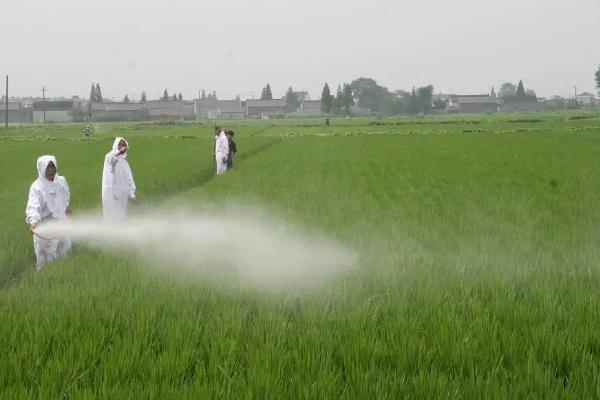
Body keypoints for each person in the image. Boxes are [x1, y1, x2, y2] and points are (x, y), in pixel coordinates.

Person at [25, 155, 72, 270]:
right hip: (45, 225)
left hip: (61, 223)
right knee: (45, 260)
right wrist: (34, 221)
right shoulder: (37, 187)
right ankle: (45, 278)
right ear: (41, 169)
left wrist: (66, 208)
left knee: (63, 252)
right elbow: (33, 205)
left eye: (53, 167)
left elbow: (65, 196)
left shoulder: (61, 181)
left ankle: (63, 275)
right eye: (47, 167)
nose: (51, 170)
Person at [102, 137, 136, 220]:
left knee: (121, 214)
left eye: (124, 144)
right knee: (110, 213)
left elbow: (129, 179)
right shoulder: (109, 157)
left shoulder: (125, 163)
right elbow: (113, 156)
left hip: (122, 192)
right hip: (110, 191)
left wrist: (132, 194)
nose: (122, 146)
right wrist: (119, 152)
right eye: (119, 144)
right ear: (115, 145)